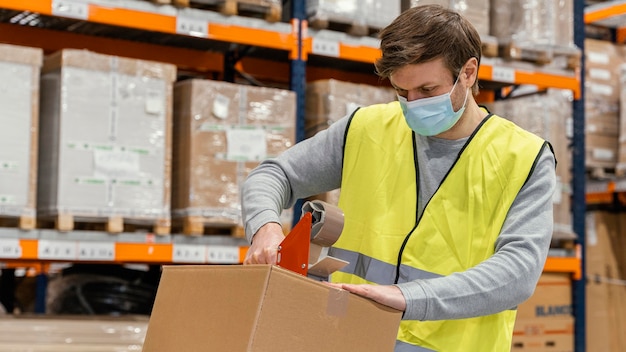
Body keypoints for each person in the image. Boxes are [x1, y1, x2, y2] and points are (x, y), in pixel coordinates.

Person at [241, 4, 556, 352]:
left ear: (468, 73)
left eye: (427, 90)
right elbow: (274, 174)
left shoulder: (524, 157)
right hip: (350, 339)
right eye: (401, 92)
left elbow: (518, 272)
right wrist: (264, 227)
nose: (413, 105)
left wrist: (407, 297)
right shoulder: (366, 128)